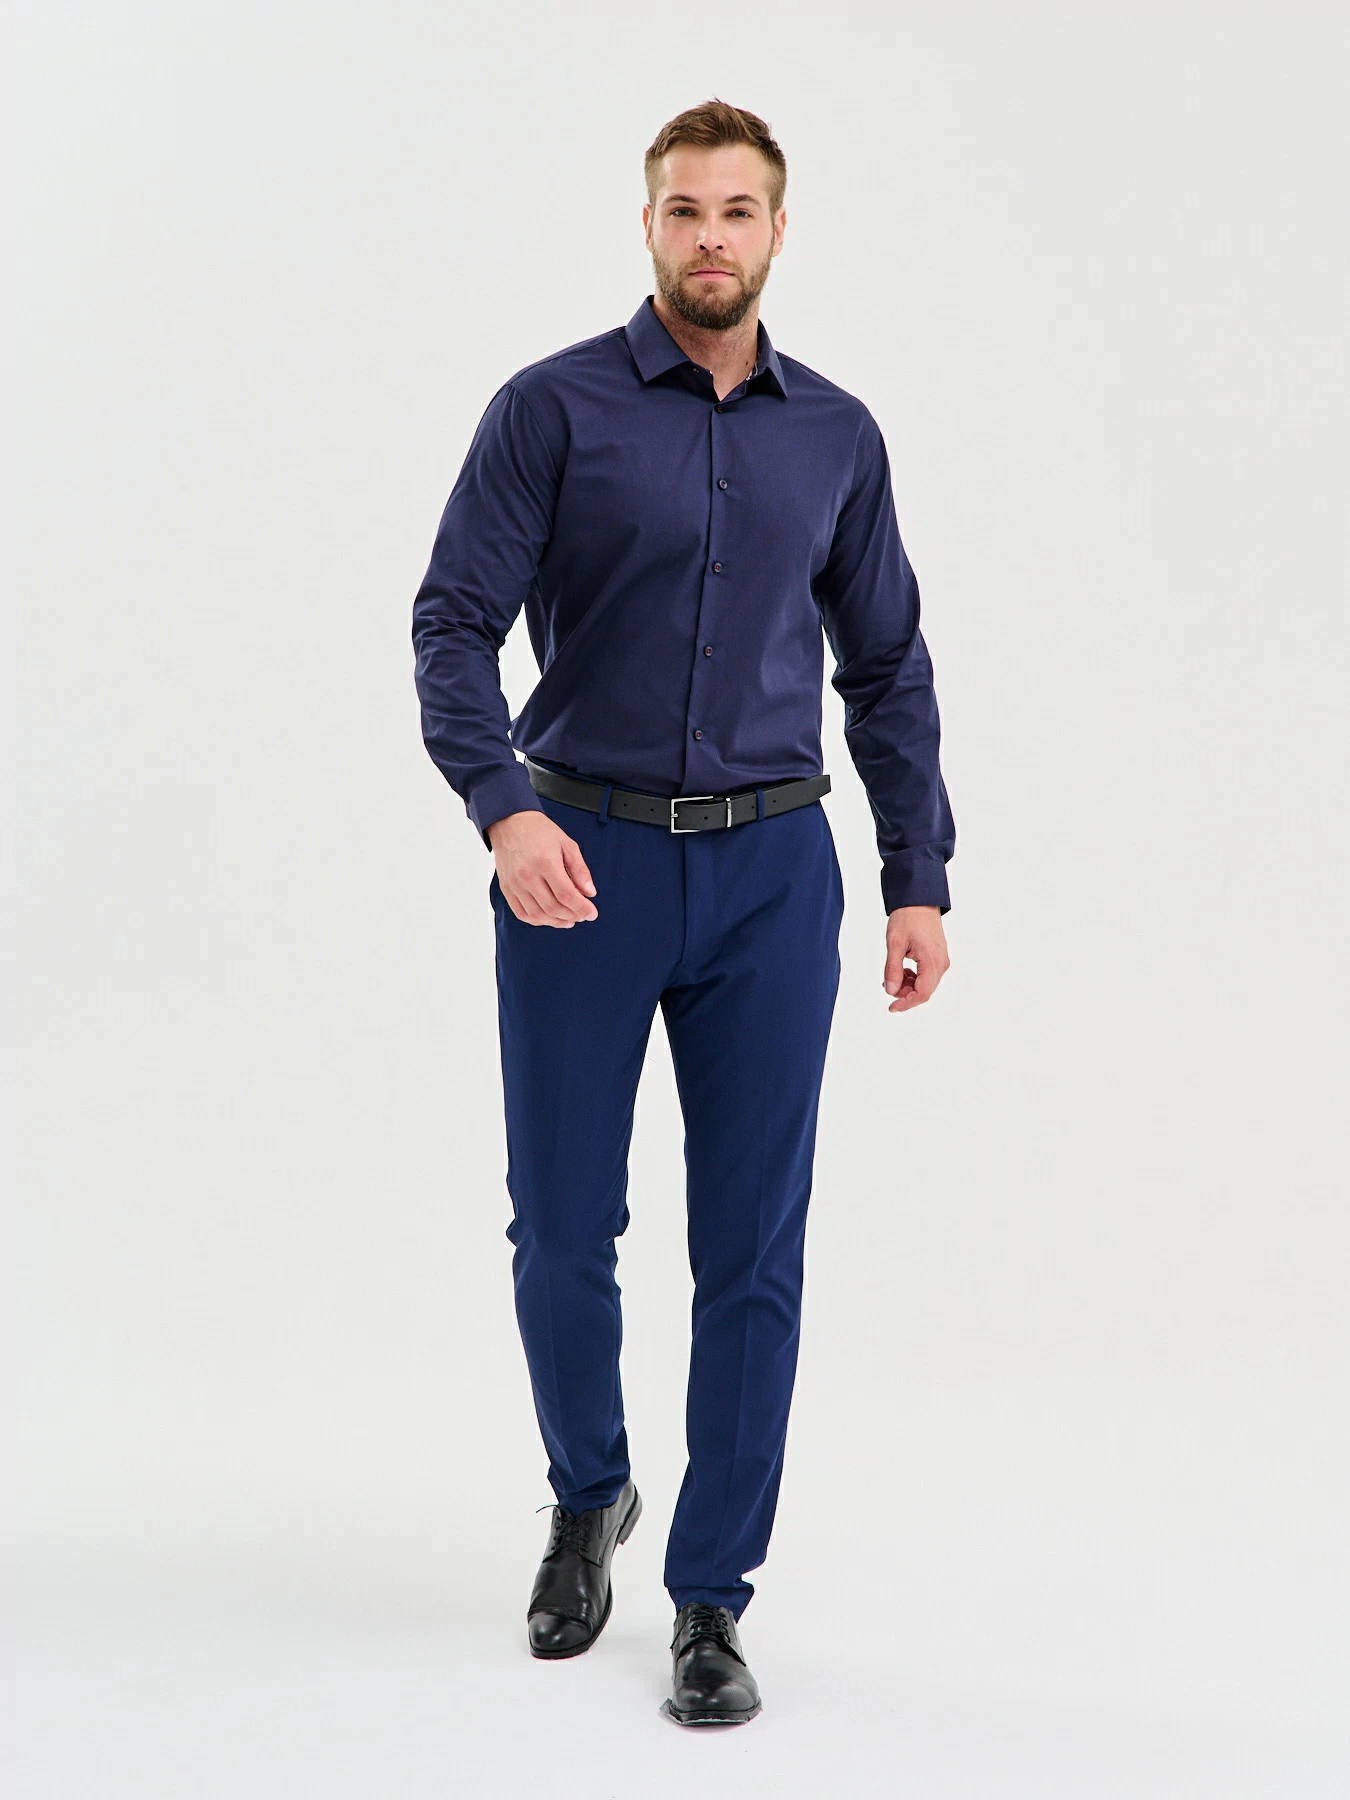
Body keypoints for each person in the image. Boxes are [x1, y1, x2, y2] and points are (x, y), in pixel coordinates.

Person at [412, 98, 955, 1727]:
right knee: (562, 1226)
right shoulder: (551, 409)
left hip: (774, 874)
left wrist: (916, 874)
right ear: (645, 224)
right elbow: (451, 623)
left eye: (736, 211)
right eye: (682, 209)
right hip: (578, 862)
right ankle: (589, 1496)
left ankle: (712, 1593)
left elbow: (886, 666)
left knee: (753, 1249)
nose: (709, 236)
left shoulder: (835, 435)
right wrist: (503, 806)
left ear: (777, 231)